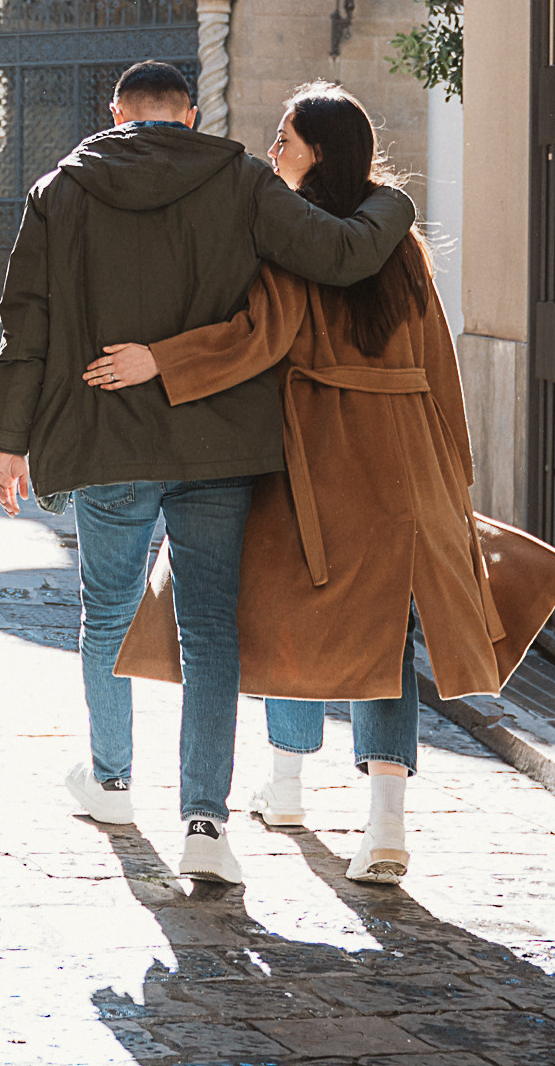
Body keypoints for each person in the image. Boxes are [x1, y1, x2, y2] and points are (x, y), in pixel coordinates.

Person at [0, 58, 413, 886]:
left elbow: (25, 323)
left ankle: (112, 782)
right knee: (211, 630)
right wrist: (394, 200)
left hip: (105, 440)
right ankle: (205, 825)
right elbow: (341, 255)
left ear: (117, 114)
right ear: (188, 116)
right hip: (219, 446)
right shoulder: (241, 180)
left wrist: (8, 441)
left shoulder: (58, 191)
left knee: (108, 614)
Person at [89, 81, 507, 887]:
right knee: (387, 635)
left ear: (320, 151)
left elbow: (254, 337)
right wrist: (453, 476)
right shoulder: (404, 248)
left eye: (285, 138)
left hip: (316, 453)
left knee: (283, 610)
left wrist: (160, 359)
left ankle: (285, 786)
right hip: (405, 460)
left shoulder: (291, 239)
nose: (272, 149)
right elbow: (439, 367)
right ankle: (386, 825)